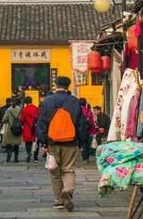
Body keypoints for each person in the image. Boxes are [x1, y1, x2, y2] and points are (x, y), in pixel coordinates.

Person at [37, 76, 86, 212]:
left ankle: (59, 200)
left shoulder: (47, 101)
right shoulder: (74, 101)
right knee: (68, 169)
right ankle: (68, 189)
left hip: (52, 142)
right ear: (68, 86)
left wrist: (43, 142)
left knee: (55, 172)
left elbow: (42, 122)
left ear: (55, 85)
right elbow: (81, 124)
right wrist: (81, 142)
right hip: (70, 141)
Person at [2, 98, 23, 162]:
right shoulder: (20, 110)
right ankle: (16, 159)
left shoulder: (9, 110)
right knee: (16, 145)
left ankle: (8, 156)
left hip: (10, 129)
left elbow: (4, 120)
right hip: (18, 129)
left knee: (8, 143)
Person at [20, 96, 39, 163]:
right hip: (35, 128)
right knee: (35, 142)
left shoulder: (25, 109)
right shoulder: (36, 108)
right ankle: (35, 157)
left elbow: (22, 120)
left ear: (25, 102)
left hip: (27, 128)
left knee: (28, 143)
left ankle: (28, 153)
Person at [79, 98, 96, 163]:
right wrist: (94, 131)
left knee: (83, 144)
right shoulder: (89, 111)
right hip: (89, 130)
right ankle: (87, 157)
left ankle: (84, 158)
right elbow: (92, 121)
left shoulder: (78, 111)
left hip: (81, 130)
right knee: (88, 144)